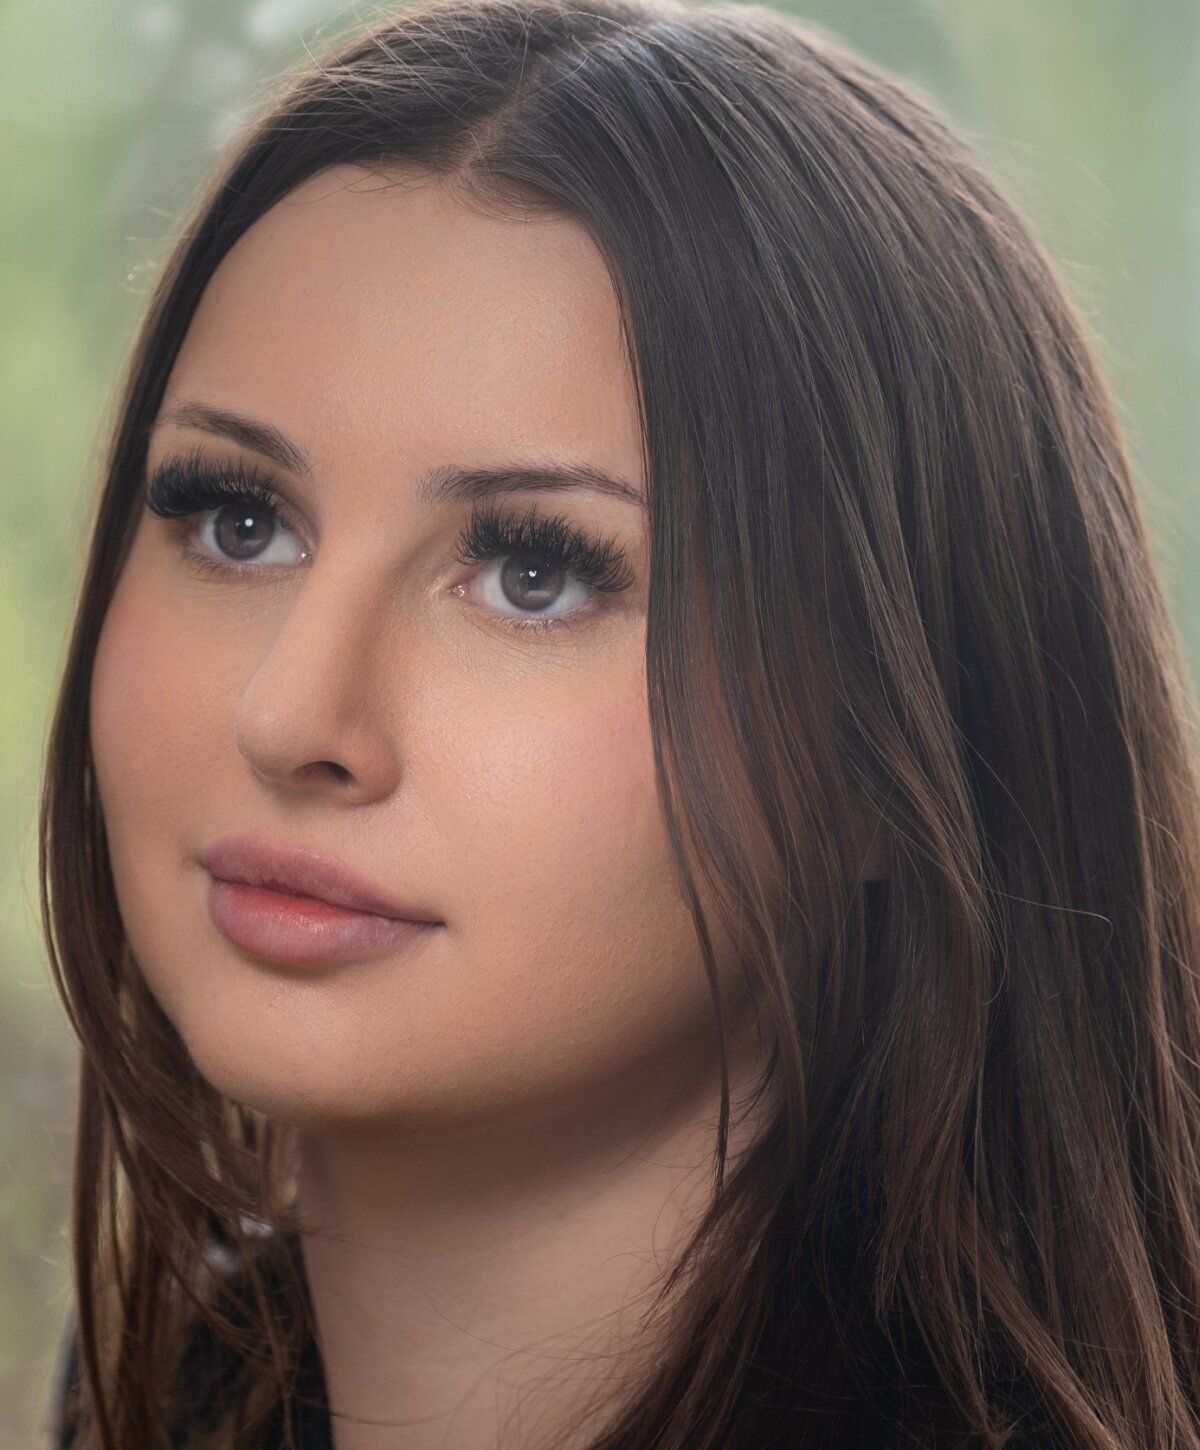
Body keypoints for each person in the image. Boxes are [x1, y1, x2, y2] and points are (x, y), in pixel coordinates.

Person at [40, 0, 1200, 1445]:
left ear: (893, 755)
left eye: (534, 574)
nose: (290, 715)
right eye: (239, 517)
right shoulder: (168, 1395)